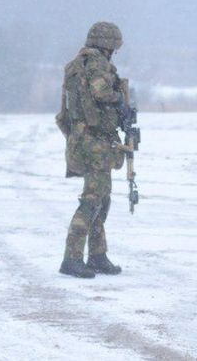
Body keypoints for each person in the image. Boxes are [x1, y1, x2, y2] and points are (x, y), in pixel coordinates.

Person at [56, 22, 128, 279]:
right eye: (114, 48)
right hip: (94, 142)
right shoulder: (95, 63)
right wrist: (118, 99)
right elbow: (100, 91)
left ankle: (97, 255)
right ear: (107, 44)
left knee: (102, 198)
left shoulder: (78, 65)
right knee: (92, 200)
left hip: (85, 140)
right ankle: (72, 258)